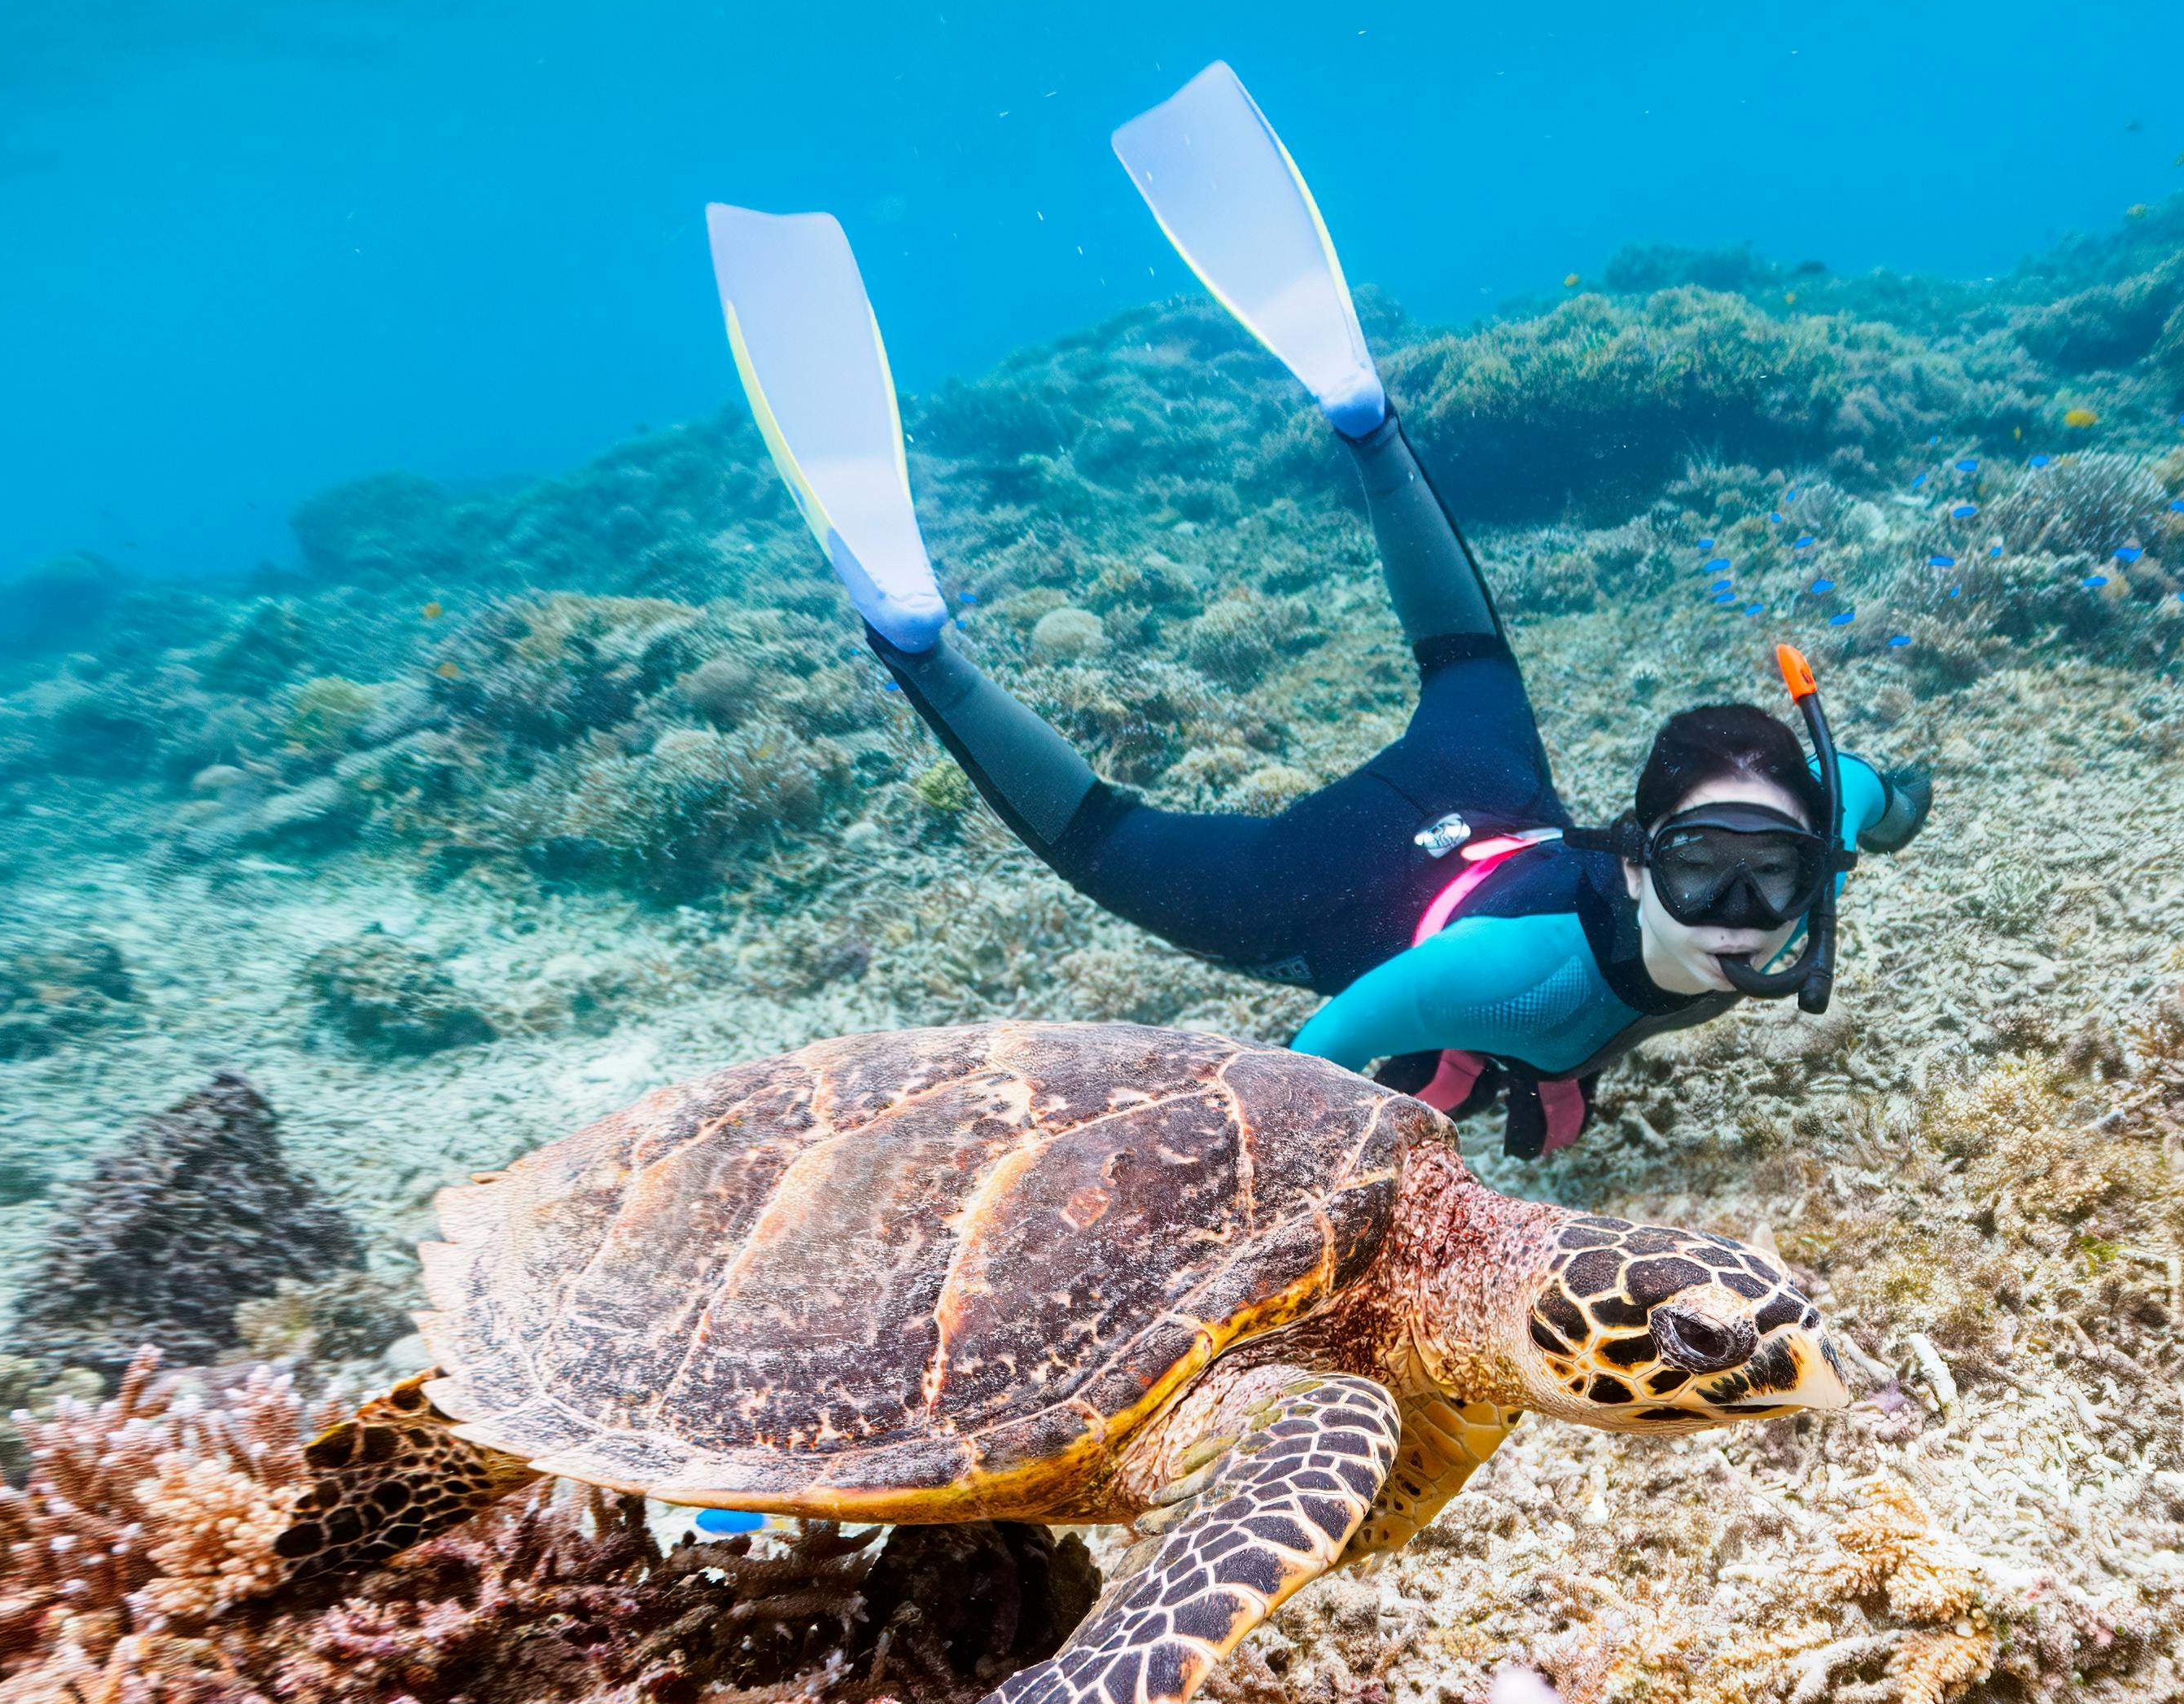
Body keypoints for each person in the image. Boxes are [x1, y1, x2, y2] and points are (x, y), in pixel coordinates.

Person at [707, 67, 1932, 1159]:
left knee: (1469, 661)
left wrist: (1896, 805)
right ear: (1633, 847)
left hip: (1486, 791)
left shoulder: (1826, 830)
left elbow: (1872, 791)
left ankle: (1363, 417)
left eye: (1768, 876)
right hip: (1328, 892)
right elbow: (1315, 1059)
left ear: (1815, 861)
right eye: (1699, 867)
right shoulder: (1508, 976)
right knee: (1100, 842)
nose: (1735, 918)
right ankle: (917, 644)